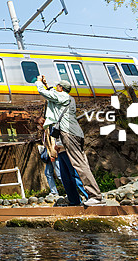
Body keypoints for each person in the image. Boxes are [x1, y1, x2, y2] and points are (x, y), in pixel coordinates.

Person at [36, 74, 105, 206]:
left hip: (69, 134)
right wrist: (46, 84)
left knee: (79, 165)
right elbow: (51, 92)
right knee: (65, 172)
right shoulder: (63, 97)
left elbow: (45, 93)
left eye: (57, 87)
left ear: (61, 88)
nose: (55, 89)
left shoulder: (64, 97)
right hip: (64, 136)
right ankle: (73, 200)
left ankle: (95, 196)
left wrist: (39, 83)